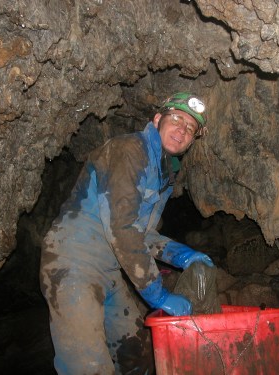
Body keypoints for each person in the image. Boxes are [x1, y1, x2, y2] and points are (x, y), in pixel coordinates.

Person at [39, 92, 214, 374]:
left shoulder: (164, 175)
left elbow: (142, 233)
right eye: (177, 119)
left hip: (109, 270)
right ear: (157, 119)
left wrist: (182, 256)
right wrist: (157, 295)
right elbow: (122, 227)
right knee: (88, 366)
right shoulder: (130, 150)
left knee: (137, 354)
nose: (182, 130)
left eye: (190, 129)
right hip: (73, 263)